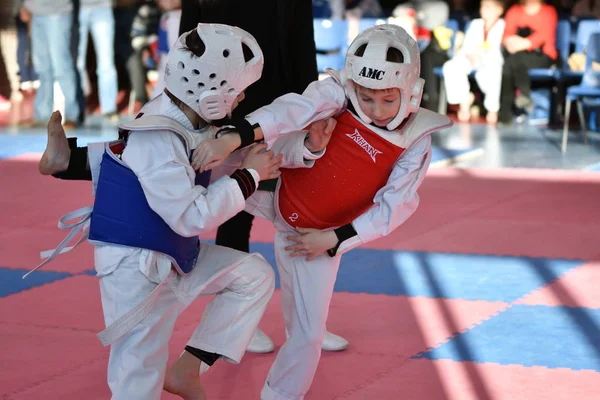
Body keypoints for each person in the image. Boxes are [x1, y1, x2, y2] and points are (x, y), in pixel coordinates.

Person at [31, 23, 318, 400]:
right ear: (212, 93)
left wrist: (304, 146)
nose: (244, 96)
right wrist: (249, 175)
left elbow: (220, 150)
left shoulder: (182, 118)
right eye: (239, 90)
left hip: (173, 256)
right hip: (135, 269)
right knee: (138, 373)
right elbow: (191, 217)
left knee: (252, 275)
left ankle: (187, 370)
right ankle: (68, 161)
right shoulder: (158, 137)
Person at [187, 24, 453, 400]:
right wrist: (239, 134)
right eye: (367, 97)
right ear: (353, 84)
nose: (376, 110)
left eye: (388, 99)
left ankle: (281, 393)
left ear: (411, 90)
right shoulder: (337, 92)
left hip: (314, 237)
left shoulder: (415, 140)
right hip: (273, 187)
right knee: (203, 164)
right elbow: (291, 109)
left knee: (309, 333)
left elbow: (396, 206)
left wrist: (335, 238)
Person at [179, 0, 349, 353]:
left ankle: (307, 325)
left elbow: (301, 38)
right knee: (236, 211)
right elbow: (189, 37)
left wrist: (310, 104)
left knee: (305, 208)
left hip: (283, 98)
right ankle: (233, 322)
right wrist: (190, 102)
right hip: (226, 95)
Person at [442, 0, 505, 124]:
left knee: (494, 69)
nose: (484, 10)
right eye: (482, 7)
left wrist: (481, 56)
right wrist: (470, 55)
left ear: (499, 10)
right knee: (450, 66)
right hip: (471, 57)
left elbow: (497, 48)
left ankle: (492, 109)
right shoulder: (475, 24)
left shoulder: (502, 25)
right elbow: (467, 46)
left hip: (491, 59)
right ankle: (464, 101)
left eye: (488, 7)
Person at [498, 0, 558, 124]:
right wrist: (509, 42)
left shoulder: (549, 11)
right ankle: (523, 96)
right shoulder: (515, 10)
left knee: (512, 63)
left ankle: (505, 115)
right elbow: (506, 34)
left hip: (542, 55)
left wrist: (525, 43)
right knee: (509, 64)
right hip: (517, 53)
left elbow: (545, 35)